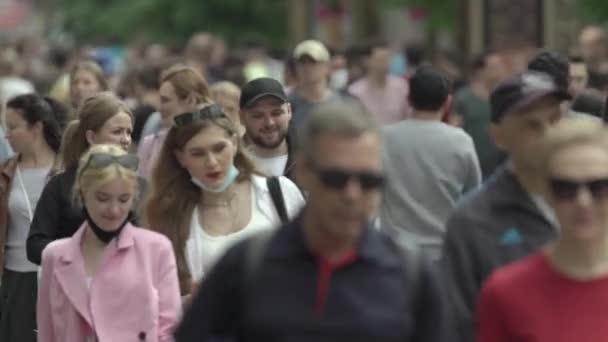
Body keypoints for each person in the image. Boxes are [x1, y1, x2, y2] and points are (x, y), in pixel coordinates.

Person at [174, 101, 446, 342]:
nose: (352, 195)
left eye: (368, 181)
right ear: (304, 171)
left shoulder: (411, 274)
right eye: (336, 179)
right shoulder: (245, 267)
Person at [441, 71, 569, 342]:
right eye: (531, 125)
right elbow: (457, 326)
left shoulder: (594, 202)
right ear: (498, 136)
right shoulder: (471, 222)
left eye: (556, 120)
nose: (549, 134)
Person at [144, 103, 304, 296]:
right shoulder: (171, 217)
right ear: (181, 158)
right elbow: (161, 302)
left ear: (235, 144)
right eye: (198, 153)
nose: (211, 162)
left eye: (219, 148)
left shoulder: (279, 192)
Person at [478, 117, 608, 342]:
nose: (583, 201)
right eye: (565, 188)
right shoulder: (505, 293)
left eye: (599, 187)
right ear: (546, 193)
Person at [37, 144, 181, 342]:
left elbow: (170, 330)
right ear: (82, 193)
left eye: (124, 200)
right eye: (102, 198)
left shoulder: (156, 249)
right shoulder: (54, 255)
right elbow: (47, 334)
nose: (114, 210)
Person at [381, 66, 481, 260]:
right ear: (448, 101)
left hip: (394, 249)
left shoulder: (385, 137)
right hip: (443, 251)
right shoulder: (461, 141)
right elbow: (474, 193)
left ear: (409, 100)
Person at [27, 92, 139, 265]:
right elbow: (35, 245)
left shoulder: (136, 185)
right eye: (117, 132)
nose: (125, 139)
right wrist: (80, 255)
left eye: (129, 132)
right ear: (92, 137)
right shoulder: (60, 185)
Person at [0, 94, 67, 342]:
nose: (7, 135)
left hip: (61, 277)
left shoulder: (68, 171)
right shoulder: (5, 174)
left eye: (14, 127)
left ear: (37, 126)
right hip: (17, 277)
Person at [137, 64, 210, 179]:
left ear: (191, 100)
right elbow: (139, 191)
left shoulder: (214, 143)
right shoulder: (151, 144)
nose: (159, 108)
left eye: (165, 100)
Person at [454, 51, 506, 179]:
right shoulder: (463, 98)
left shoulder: (504, 97)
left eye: (501, 66)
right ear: (480, 71)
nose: (499, 71)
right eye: (494, 67)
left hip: (498, 169)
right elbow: (454, 130)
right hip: (470, 169)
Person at [240, 77, 296, 178]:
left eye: (276, 113)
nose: (269, 123)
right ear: (242, 117)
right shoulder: (230, 165)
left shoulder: (311, 160)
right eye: (258, 115)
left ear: (289, 111)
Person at [348, 39, 411, 125]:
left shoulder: (402, 87)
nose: (386, 63)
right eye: (380, 59)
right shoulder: (355, 92)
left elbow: (408, 117)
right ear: (366, 61)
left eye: (388, 58)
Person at [288, 40, 344, 133]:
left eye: (313, 62)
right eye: (302, 62)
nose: (307, 67)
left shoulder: (343, 103)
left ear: (327, 66)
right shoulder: (286, 106)